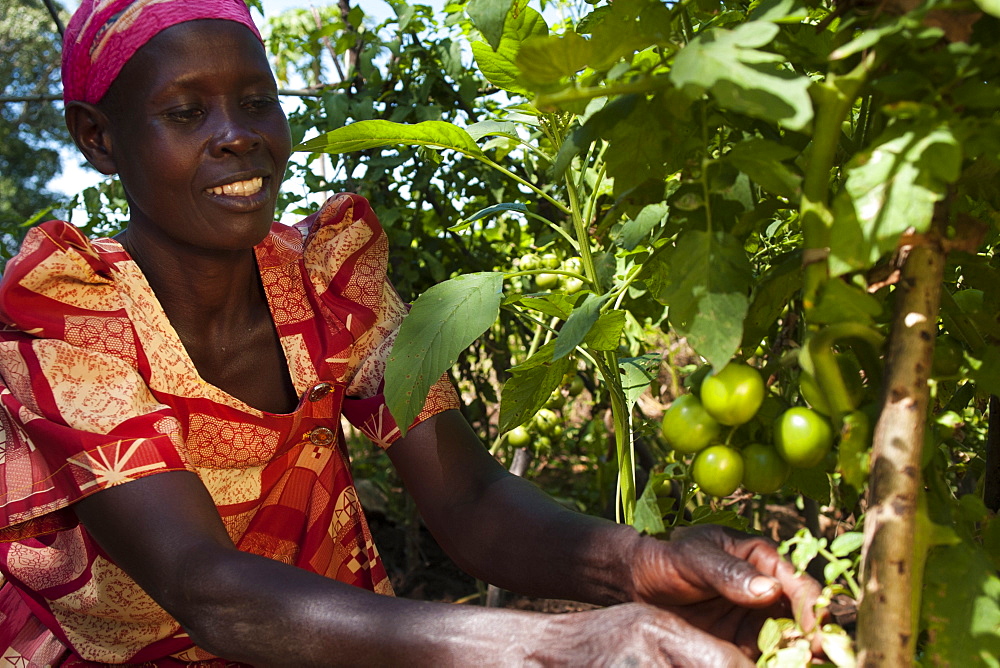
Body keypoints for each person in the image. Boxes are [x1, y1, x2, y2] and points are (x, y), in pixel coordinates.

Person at [0, 1, 822, 665]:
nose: (237, 132)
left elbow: (470, 499)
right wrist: (557, 647)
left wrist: (641, 564)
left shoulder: (325, 282)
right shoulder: (71, 312)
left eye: (256, 101)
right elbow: (205, 585)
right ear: (98, 140)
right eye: (185, 111)